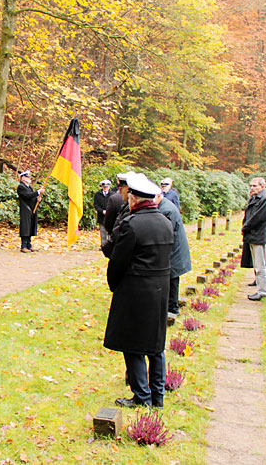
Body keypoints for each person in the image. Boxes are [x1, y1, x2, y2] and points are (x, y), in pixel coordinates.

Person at [104, 173, 173, 409]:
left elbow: (117, 261)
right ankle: (158, 396)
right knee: (155, 345)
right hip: (160, 290)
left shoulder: (131, 224)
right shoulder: (165, 221)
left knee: (133, 344)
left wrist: (115, 286)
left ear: (134, 199)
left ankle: (142, 396)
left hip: (135, 291)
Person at [154, 190, 191, 325]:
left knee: (172, 280)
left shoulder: (166, 210)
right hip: (174, 251)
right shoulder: (165, 207)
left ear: (159, 196)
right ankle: (170, 308)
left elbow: (166, 233)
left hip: (174, 252)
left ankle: (172, 309)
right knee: (171, 280)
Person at [242, 177, 266, 301]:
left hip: (258, 235)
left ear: (262, 187)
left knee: (260, 265)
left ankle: (262, 291)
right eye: (251, 186)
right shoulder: (254, 199)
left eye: (255, 186)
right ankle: (260, 289)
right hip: (252, 235)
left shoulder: (265, 200)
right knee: (257, 265)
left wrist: (245, 227)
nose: (252, 188)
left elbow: (256, 218)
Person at [101, 171, 135, 257]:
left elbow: (108, 223)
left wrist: (113, 235)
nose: (119, 192)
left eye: (121, 188)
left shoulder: (114, 198)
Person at [17, 170, 44, 253]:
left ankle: (29, 245)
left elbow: (31, 197)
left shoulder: (29, 187)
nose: (29, 178)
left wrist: (37, 199)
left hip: (32, 209)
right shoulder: (21, 187)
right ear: (23, 178)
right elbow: (26, 196)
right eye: (27, 177)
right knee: (25, 227)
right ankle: (23, 245)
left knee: (30, 227)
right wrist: (37, 192)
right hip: (25, 209)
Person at [93, 179, 116, 247]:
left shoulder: (113, 194)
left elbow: (114, 204)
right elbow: (96, 205)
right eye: (104, 187)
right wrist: (102, 211)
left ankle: (110, 245)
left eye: (107, 187)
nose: (105, 188)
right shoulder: (97, 194)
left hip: (110, 216)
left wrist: (109, 211)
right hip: (101, 216)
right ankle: (103, 245)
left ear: (109, 187)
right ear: (102, 187)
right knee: (103, 232)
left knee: (110, 231)